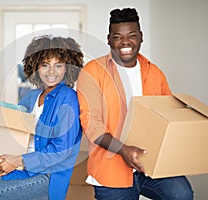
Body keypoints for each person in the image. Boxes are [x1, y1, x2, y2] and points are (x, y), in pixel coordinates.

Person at [77, 8, 194, 200]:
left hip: (152, 165)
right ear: (108, 39)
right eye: (117, 37)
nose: (125, 42)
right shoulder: (93, 72)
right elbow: (91, 123)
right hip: (111, 169)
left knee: (182, 194)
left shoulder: (155, 72)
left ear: (141, 37)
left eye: (131, 35)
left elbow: (169, 116)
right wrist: (124, 150)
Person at [0, 35, 84, 200]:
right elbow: (14, 129)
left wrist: (18, 161)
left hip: (47, 175)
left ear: (68, 68)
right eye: (45, 65)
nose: (51, 71)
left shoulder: (67, 97)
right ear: (36, 66)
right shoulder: (31, 96)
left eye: (58, 65)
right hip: (22, 168)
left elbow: (61, 151)